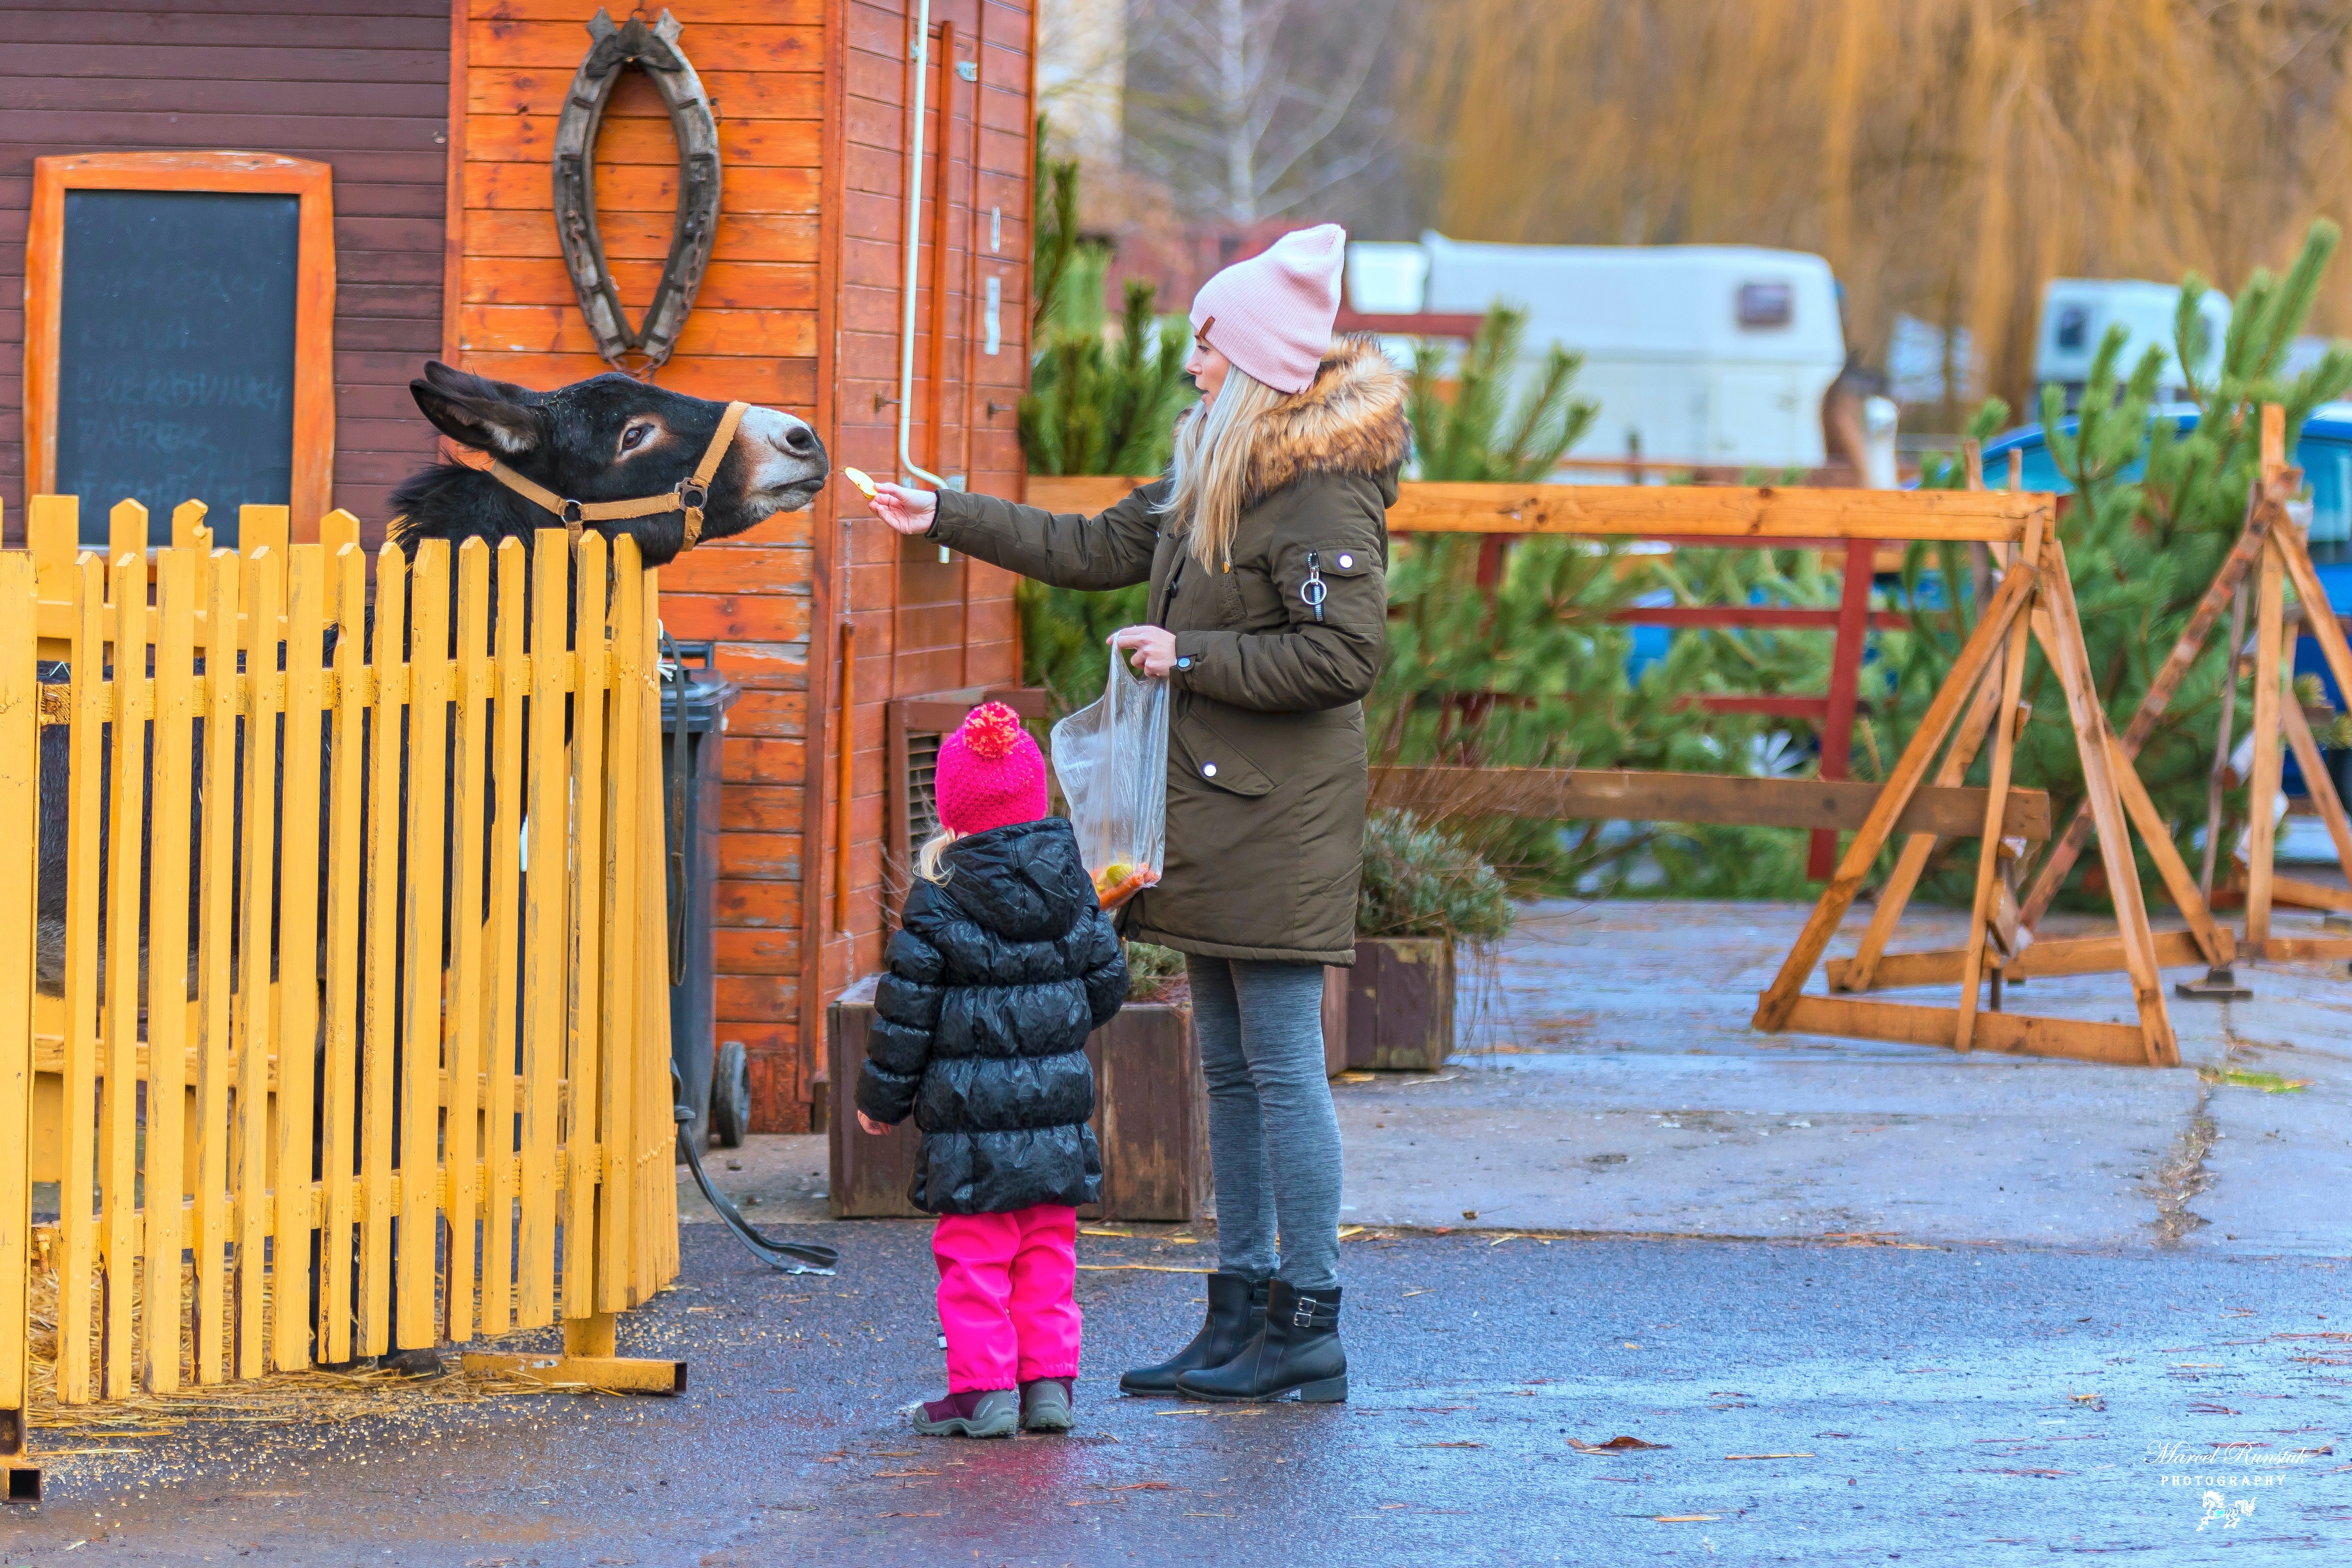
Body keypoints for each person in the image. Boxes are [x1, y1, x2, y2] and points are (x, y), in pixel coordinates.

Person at [869, 223, 1406, 1404]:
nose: (1194, 366)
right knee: (1228, 1069)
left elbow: (1345, 654)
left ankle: (1305, 1322)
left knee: (1280, 1067)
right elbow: (1096, 543)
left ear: (1262, 360)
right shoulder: (1219, 462)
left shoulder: (1317, 490)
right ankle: (1237, 1314)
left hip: (1278, 822)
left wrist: (1188, 655)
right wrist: (947, 513)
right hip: (1217, 813)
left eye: (1210, 348)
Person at [854, 701, 1129, 1438]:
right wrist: (1053, 1025)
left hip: (969, 1126)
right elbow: (1108, 985)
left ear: (951, 811)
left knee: (976, 1257)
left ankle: (984, 1392)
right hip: (1056, 1119)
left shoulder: (938, 900)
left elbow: (904, 1014)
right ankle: (1048, 1388)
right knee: (1048, 1254)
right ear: (1035, 800)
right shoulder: (1070, 886)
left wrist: (883, 1100)